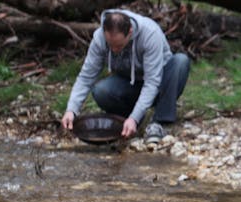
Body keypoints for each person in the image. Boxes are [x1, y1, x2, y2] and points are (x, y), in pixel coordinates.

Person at [61, 9, 190, 143]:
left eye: (119, 45)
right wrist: (71, 110)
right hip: (129, 84)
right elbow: (86, 77)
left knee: (181, 61)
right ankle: (128, 120)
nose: (114, 50)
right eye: (110, 45)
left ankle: (159, 122)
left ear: (130, 32)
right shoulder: (99, 38)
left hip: (161, 84)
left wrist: (134, 117)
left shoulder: (150, 34)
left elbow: (152, 82)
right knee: (101, 91)